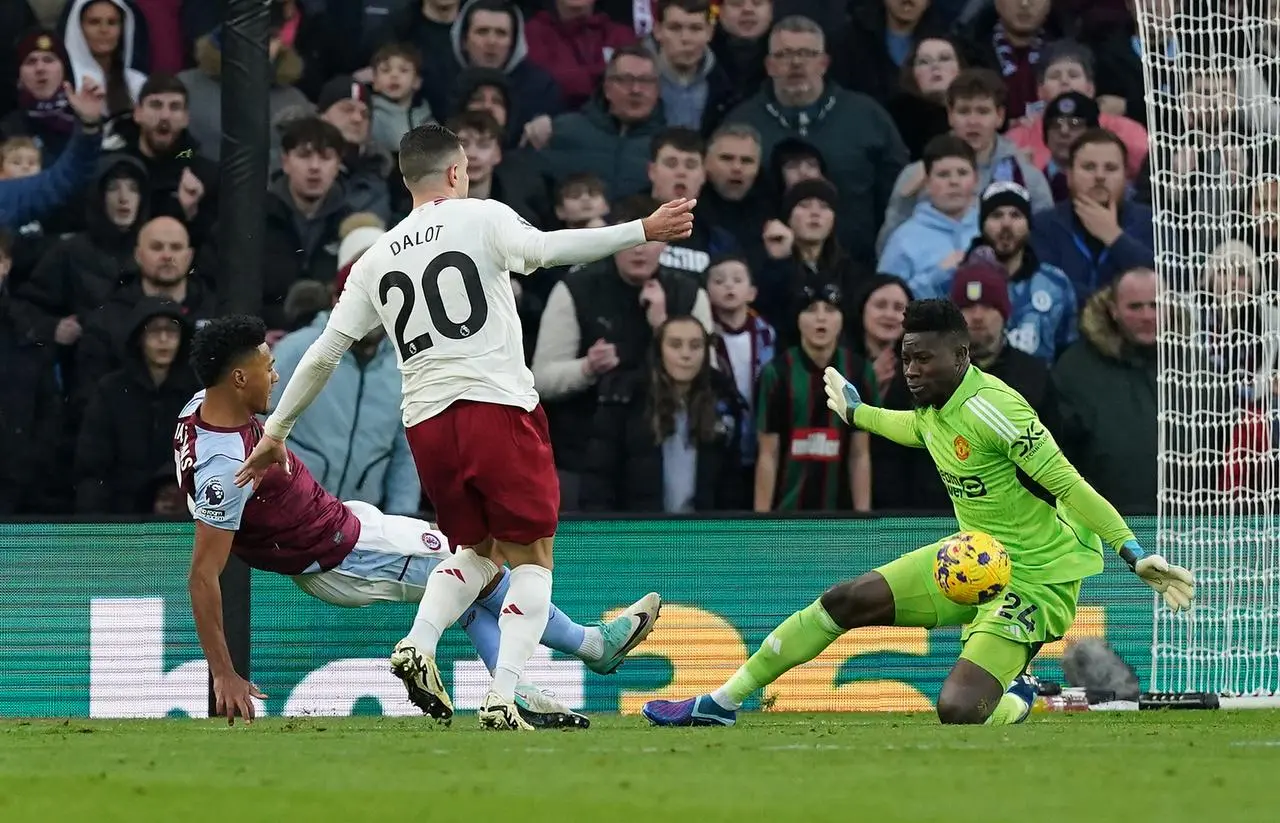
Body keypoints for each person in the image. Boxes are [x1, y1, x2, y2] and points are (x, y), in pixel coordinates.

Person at [235, 123, 694, 730]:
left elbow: (323, 352)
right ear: (456, 172)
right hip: (495, 406)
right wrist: (643, 229)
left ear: (406, 181)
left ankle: (418, 644)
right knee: (532, 559)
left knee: (476, 552)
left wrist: (276, 432)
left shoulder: (376, 257)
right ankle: (504, 695)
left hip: (427, 424)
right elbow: (550, 251)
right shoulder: (481, 217)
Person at [643, 298, 1196, 727]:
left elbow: (1071, 486)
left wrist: (1133, 551)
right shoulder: (934, 406)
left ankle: (1024, 698)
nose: (911, 369)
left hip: (1037, 580)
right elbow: (915, 431)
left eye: (923, 358)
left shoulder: (996, 410)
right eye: (906, 357)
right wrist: (860, 414)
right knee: (844, 600)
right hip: (972, 561)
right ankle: (720, 701)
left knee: (959, 709)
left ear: (961, 356)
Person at [184, 315, 662, 727]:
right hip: (345, 555)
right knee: (478, 568)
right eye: (268, 367)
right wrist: (223, 673)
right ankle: (591, 646)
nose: (276, 373)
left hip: (344, 522)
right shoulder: (225, 471)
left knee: (466, 591)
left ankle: (511, 688)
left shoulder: (199, 412)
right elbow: (204, 576)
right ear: (239, 379)